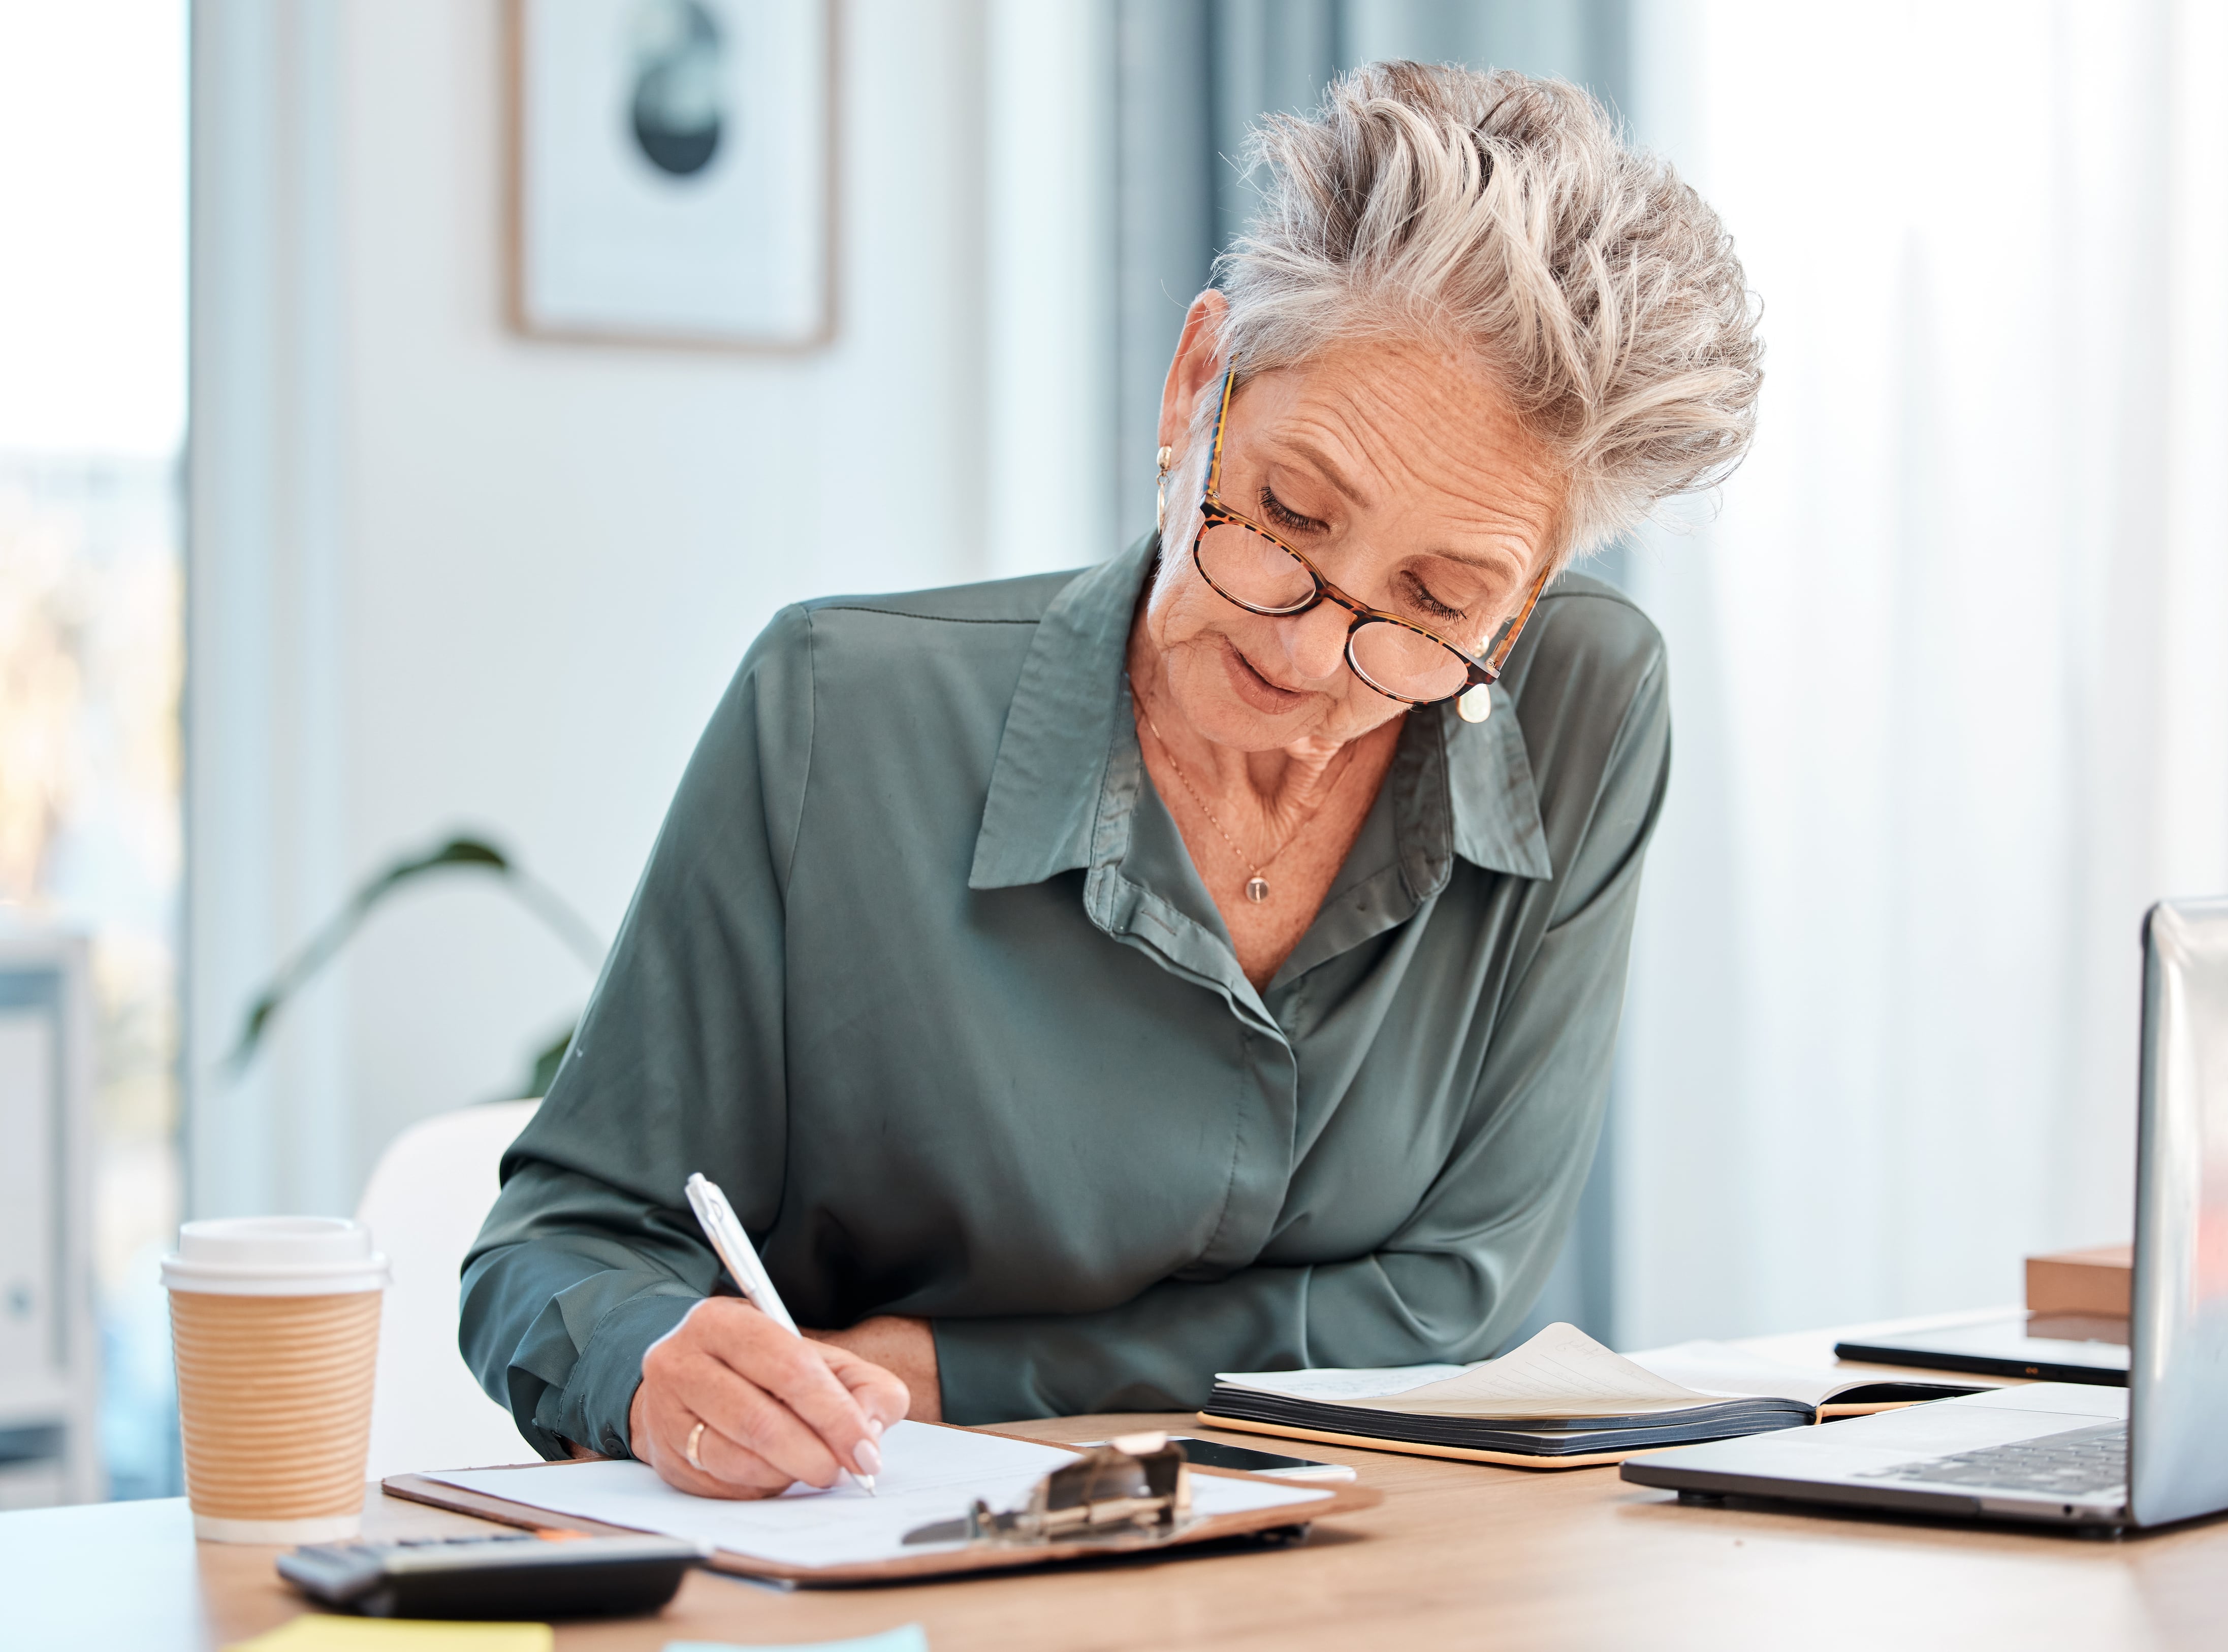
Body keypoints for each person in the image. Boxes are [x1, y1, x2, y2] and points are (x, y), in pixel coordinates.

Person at [460, 61, 1761, 1500]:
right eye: (1285, 515)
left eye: (1437, 605)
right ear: (1197, 383)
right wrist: (652, 1362)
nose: (1316, 651)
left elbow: (1452, 1301)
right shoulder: (835, 713)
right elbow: (555, 1251)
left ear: (1520, 614)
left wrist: (938, 1370)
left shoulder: (1583, 705)